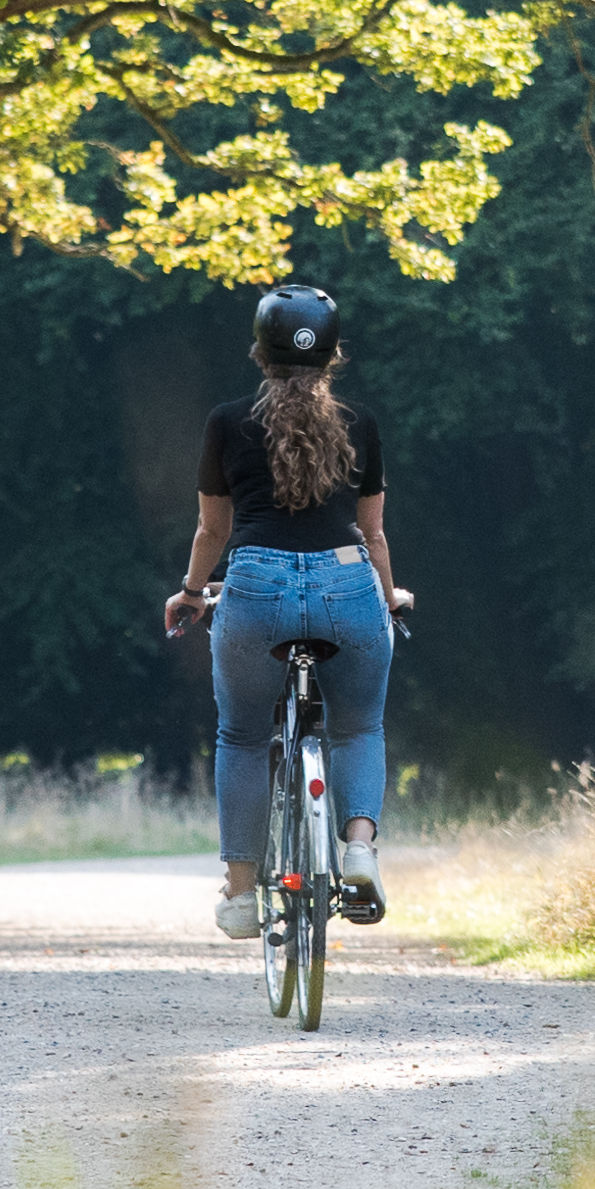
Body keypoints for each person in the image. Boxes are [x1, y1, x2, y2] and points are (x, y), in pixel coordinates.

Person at [158, 281, 408, 937]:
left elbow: (212, 532)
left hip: (255, 584)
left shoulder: (225, 421)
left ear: (258, 351)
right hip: (348, 580)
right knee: (357, 728)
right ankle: (357, 849)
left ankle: (240, 894)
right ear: (331, 356)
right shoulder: (359, 422)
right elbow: (373, 534)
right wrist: (388, 596)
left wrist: (190, 590)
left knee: (241, 735)